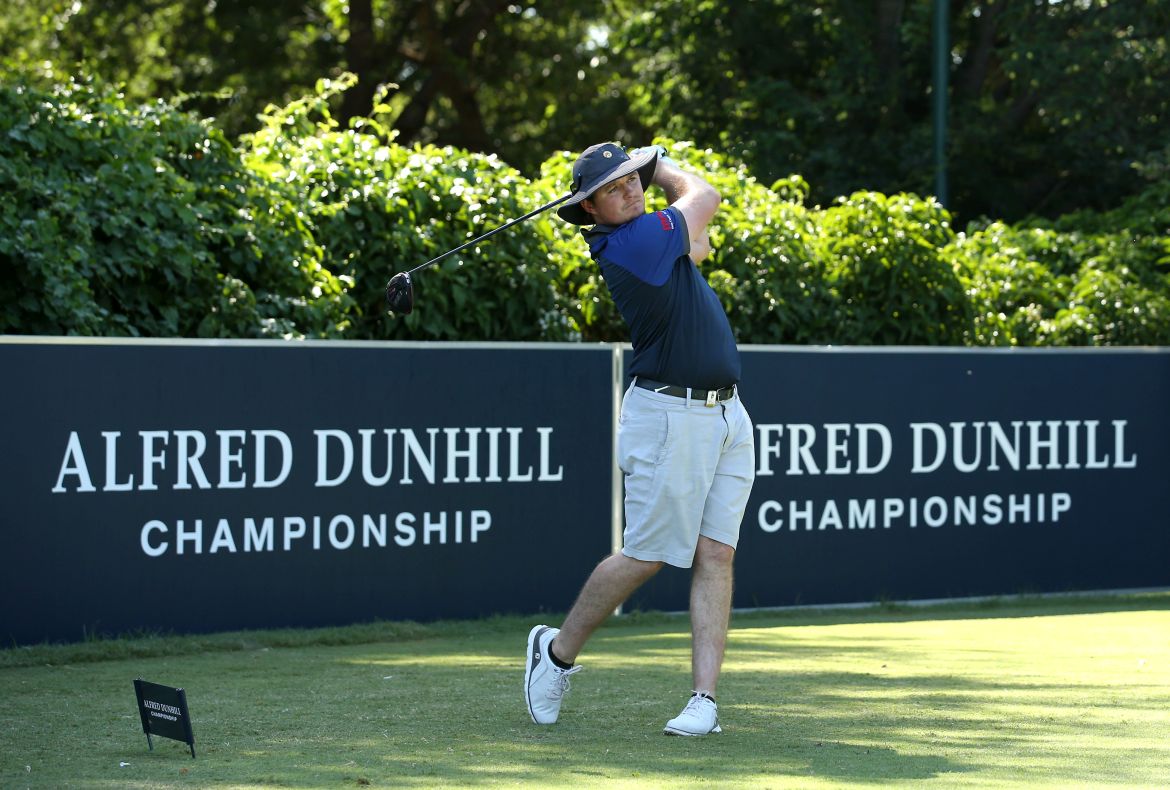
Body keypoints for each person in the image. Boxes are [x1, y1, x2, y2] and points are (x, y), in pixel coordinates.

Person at [524, 142, 755, 736]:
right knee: (648, 555)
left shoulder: (652, 234)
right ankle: (554, 654)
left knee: (716, 553)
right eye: (613, 188)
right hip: (670, 415)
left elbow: (699, 240)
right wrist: (660, 167)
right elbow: (705, 199)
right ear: (592, 210)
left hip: (727, 415)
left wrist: (675, 211)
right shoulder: (630, 242)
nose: (629, 190)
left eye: (632, 179)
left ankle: (704, 700)